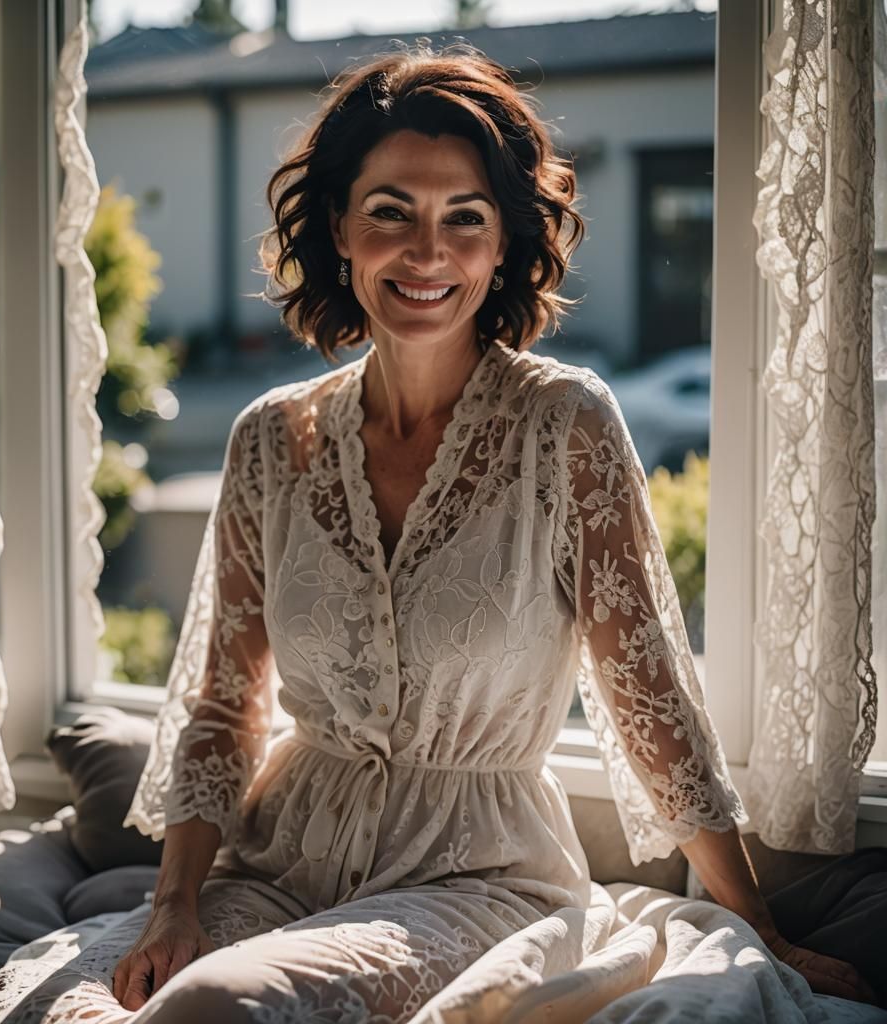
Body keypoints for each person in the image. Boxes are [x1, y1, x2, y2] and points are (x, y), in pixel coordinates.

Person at [90, 42, 874, 1022]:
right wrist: (175, 904)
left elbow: (648, 701)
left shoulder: (566, 426)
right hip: (279, 860)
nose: (426, 252)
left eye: (464, 218)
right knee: (97, 1002)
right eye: (390, 214)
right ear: (338, 228)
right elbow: (220, 706)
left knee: (215, 1007)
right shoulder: (265, 442)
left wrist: (755, 921)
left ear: (503, 244)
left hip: (477, 877)